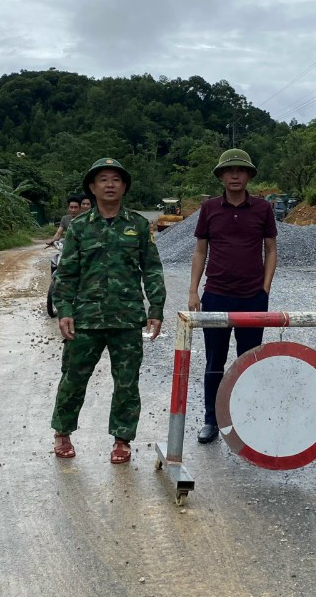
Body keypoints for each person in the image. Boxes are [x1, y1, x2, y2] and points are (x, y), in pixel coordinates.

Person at [51, 157, 166, 463]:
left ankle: (122, 439)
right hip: (85, 318)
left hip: (127, 318)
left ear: (124, 186)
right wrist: (64, 309)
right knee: (73, 378)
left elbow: (152, 269)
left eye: (116, 179)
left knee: (127, 381)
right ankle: (62, 432)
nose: (110, 184)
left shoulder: (139, 226)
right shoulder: (78, 228)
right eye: (103, 179)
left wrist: (156, 306)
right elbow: (66, 273)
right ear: (92, 187)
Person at [188, 149, 278, 444]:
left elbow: (271, 249)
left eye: (241, 170)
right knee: (215, 360)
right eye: (229, 171)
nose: (235, 175)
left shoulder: (263, 208)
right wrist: (193, 291)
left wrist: (265, 289)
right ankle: (211, 420)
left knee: (249, 360)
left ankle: (245, 419)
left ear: (249, 175)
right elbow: (201, 250)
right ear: (221, 176)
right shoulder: (210, 208)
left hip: (253, 297)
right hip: (216, 295)